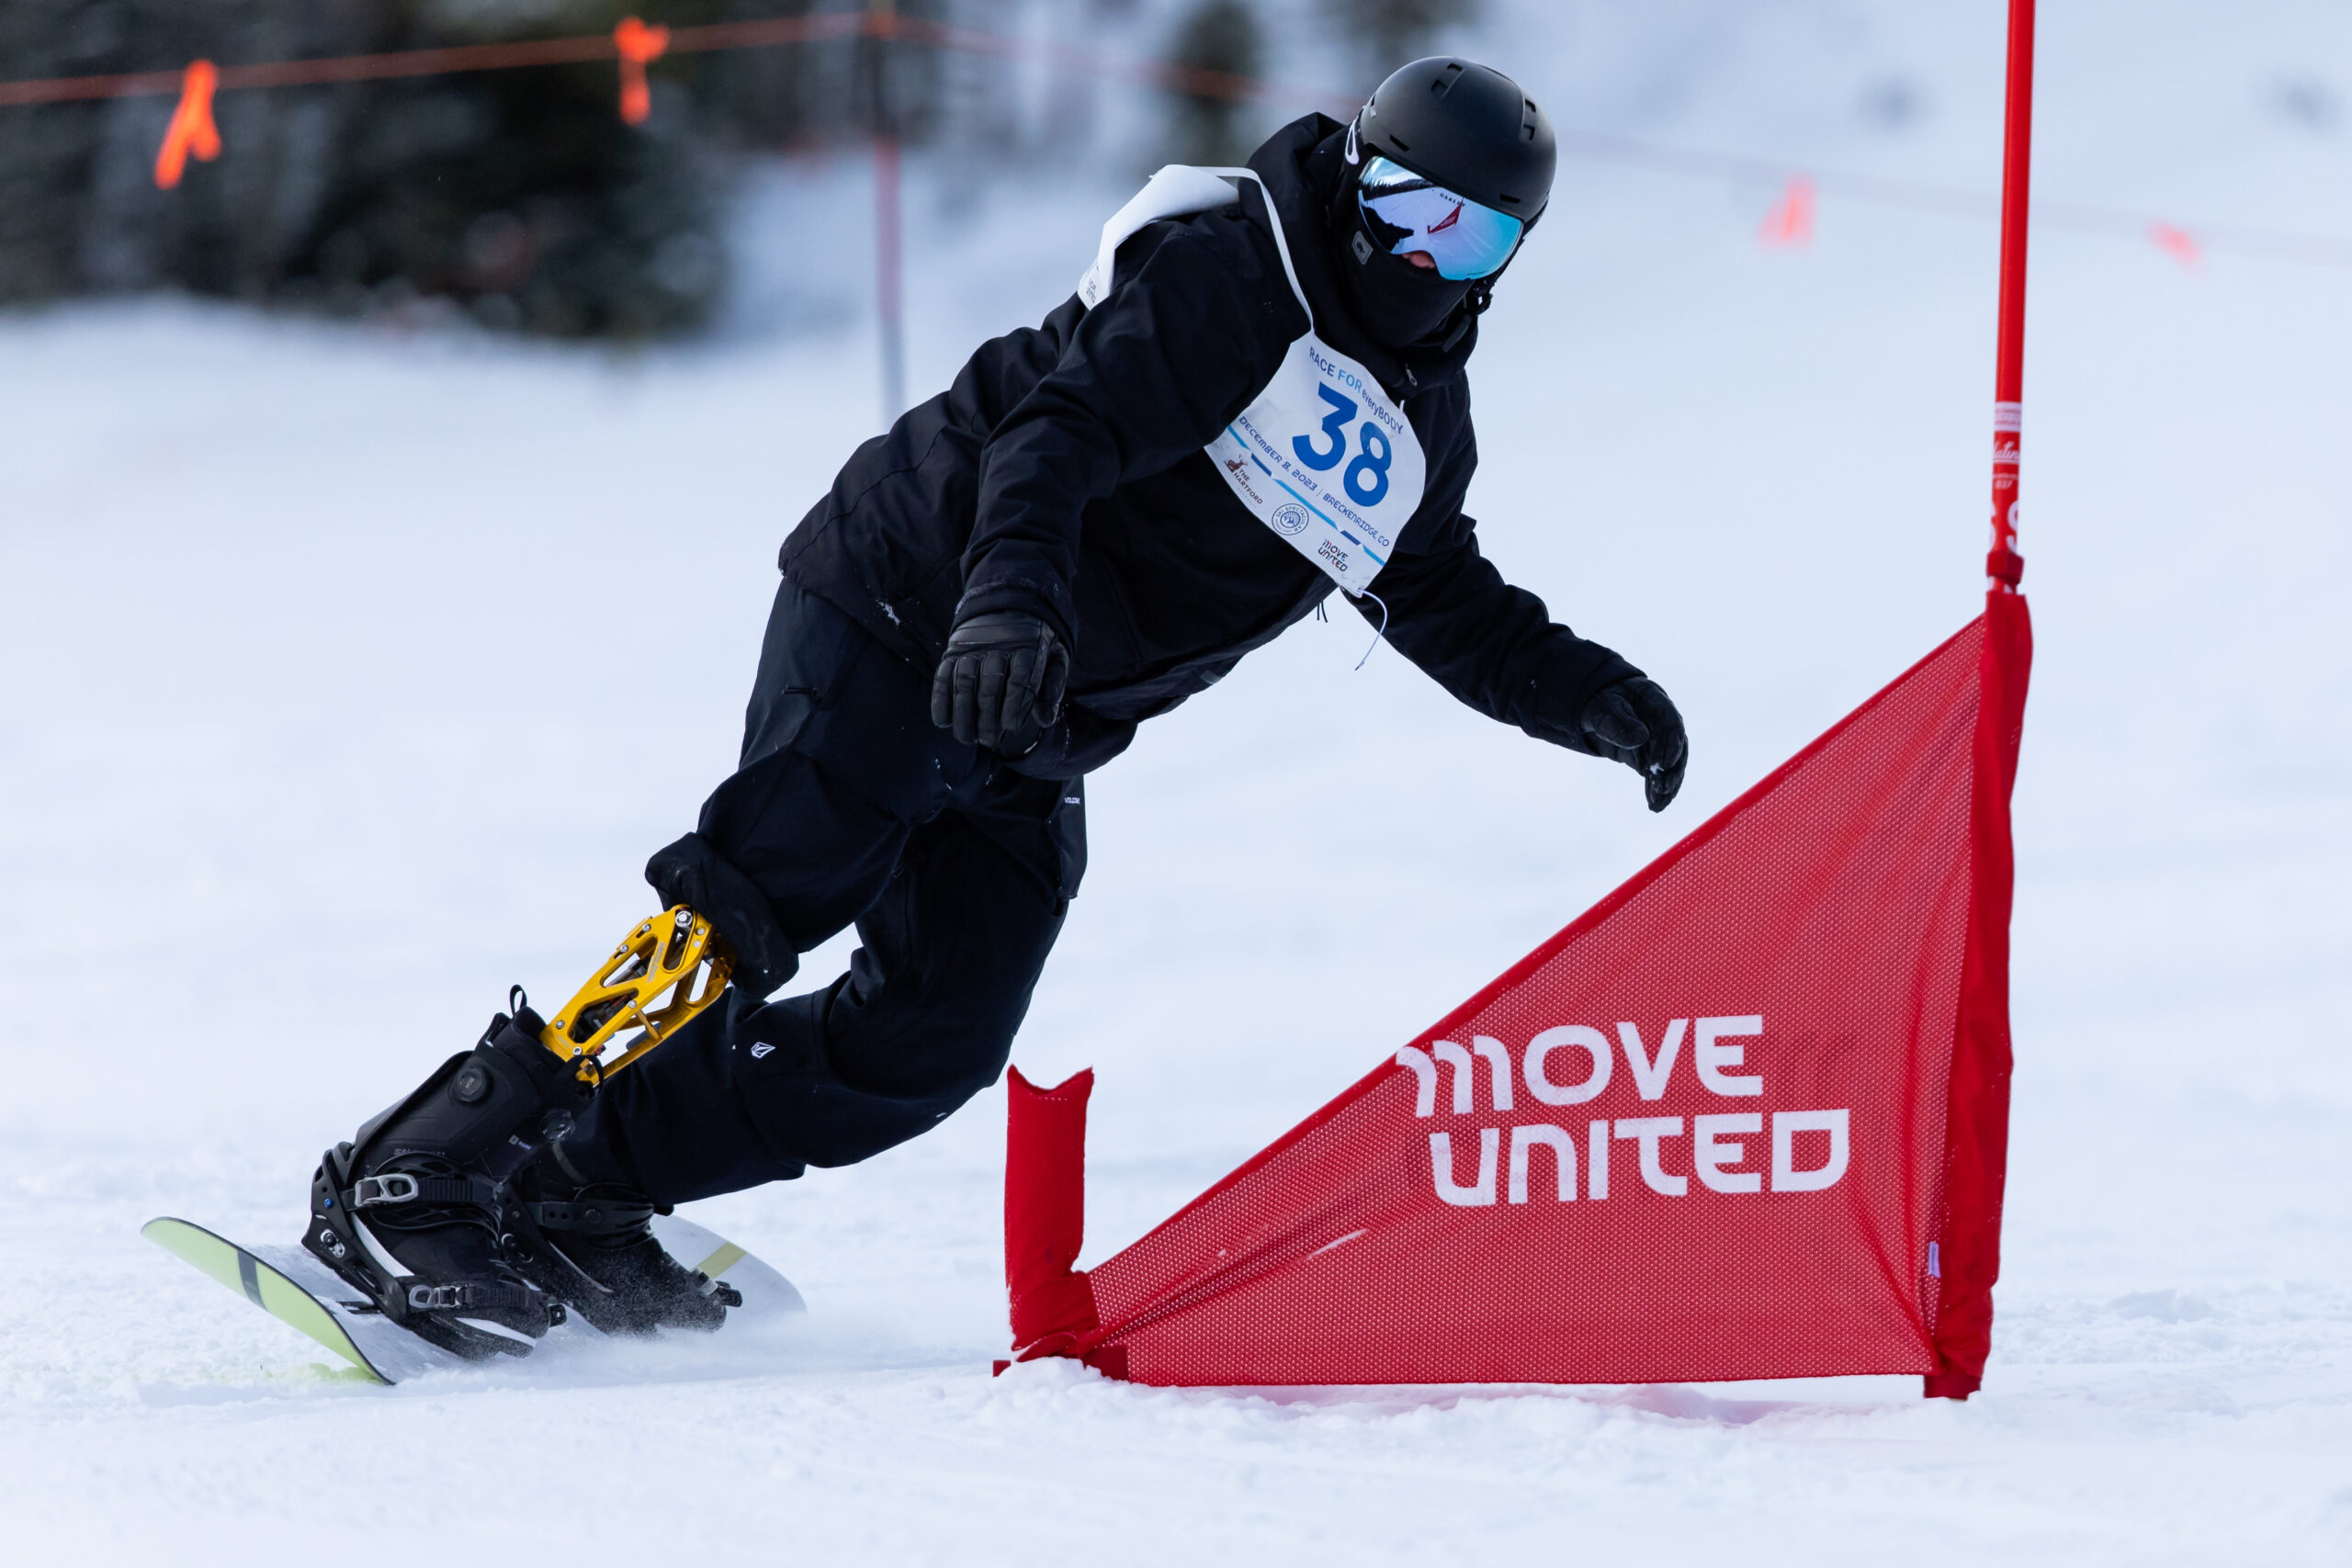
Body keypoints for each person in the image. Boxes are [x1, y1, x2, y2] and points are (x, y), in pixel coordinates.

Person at [300, 57, 1690, 1359]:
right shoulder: (1237, 272)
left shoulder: (1415, 432)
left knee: (931, 1039)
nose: (1419, 255)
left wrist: (1598, 699)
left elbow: (1441, 597)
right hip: (916, 600)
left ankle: (583, 1183)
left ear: (1509, 260)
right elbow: (1058, 432)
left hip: (1031, 718)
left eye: (1471, 238)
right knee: (759, 897)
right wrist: (1008, 601)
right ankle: (428, 1164)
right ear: (1353, 181)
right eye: (1402, 208)